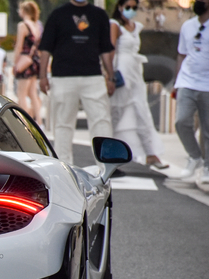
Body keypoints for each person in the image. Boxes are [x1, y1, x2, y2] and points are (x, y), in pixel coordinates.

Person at [38, 0, 116, 164]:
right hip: (63, 77)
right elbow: (45, 47)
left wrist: (110, 76)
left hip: (93, 76)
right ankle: (64, 167)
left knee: (101, 121)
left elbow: (105, 49)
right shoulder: (58, 15)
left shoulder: (99, 15)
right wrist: (42, 75)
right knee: (63, 124)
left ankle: (105, 166)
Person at [109, 0, 168, 169]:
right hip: (121, 71)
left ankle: (151, 153)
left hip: (135, 72)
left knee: (142, 111)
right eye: (128, 7)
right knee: (117, 112)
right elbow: (111, 49)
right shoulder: (114, 25)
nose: (131, 10)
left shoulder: (136, 26)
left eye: (135, 7)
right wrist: (110, 75)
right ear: (120, 7)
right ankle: (109, 152)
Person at [172, 0, 209, 182]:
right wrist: (176, 81)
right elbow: (182, 54)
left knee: (207, 129)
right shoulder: (188, 26)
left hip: (207, 85)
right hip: (187, 81)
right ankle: (195, 157)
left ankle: (207, 168)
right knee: (181, 121)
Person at [14, 1, 43, 124]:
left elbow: (19, 46)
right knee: (32, 93)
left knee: (21, 94)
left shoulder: (23, 25)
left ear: (24, 11)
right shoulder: (36, 25)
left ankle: (24, 123)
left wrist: (16, 63)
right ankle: (39, 122)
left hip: (25, 62)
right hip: (34, 61)